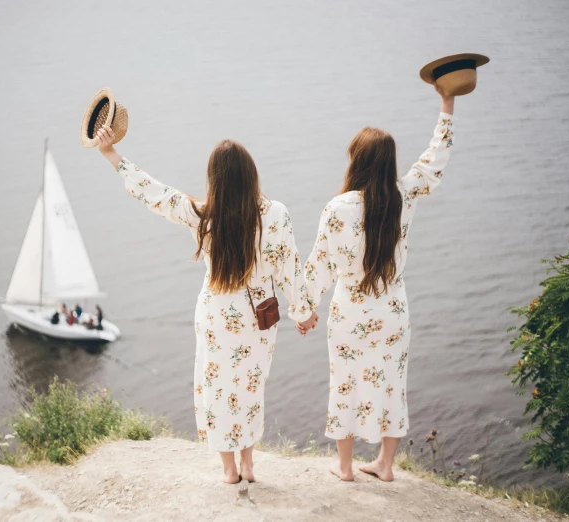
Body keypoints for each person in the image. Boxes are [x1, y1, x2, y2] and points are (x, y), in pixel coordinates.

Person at [94, 126, 318, 484]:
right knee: (249, 387)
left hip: (216, 315)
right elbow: (290, 266)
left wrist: (111, 155)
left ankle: (229, 468)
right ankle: (248, 463)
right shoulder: (276, 214)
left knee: (218, 389)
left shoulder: (201, 215)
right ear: (251, 174)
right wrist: (303, 313)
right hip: (256, 319)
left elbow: (155, 193)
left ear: (214, 179)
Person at [300, 85, 456, 482]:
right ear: (389, 163)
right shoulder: (405, 195)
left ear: (358, 161)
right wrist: (447, 104)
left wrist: (303, 310)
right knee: (391, 384)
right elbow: (435, 160)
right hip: (392, 310)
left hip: (350, 312)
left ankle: (346, 467)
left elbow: (320, 263)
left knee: (345, 383)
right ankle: (386, 466)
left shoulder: (339, 208)